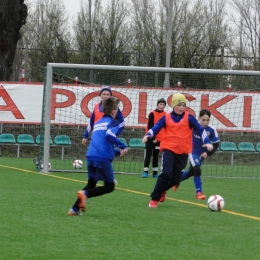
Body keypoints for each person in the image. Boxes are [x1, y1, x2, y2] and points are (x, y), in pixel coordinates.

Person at [142, 93, 213, 208]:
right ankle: (154, 199)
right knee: (165, 174)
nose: (181, 107)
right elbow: (156, 127)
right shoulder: (166, 117)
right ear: (173, 105)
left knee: (176, 179)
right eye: (179, 104)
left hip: (183, 152)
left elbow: (201, 130)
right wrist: (148, 135)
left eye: (183, 105)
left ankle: (163, 190)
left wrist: (207, 142)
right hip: (169, 150)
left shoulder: (189, 117)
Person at [68, 97, 128, 216]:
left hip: (91, 155)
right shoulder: (113, 122)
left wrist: (117, 152)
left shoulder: (98, 122)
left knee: (91, 184)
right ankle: (85, 195)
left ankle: (74, 209)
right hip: (102, 157)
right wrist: (123, 146)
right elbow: (110, 135)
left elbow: (103, 142)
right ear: (113, 111)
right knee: (110, 186)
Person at [175, 109, 220, 200]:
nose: (205, 122)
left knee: (192, 171)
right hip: (192, 151)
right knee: (197, 169)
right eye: (203, 120)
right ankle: (199, 193)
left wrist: (207, 153)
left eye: (207, 120)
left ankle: (176, 180)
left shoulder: (212, 130)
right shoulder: (193, 126)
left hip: (202, 154)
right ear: (199, 118)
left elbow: (216, 144)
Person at [142, 98, 166, 178]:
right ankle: (145, 171)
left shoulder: (166, 115)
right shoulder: (152, 113)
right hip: (150, 138)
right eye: (160, 104)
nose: (162, 106)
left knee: (156, 155)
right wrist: (153, 138)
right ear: (157, 105)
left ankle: (155, 173)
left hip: (159, 139)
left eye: (163, 104)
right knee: (148, 154)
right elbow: (150, 126)